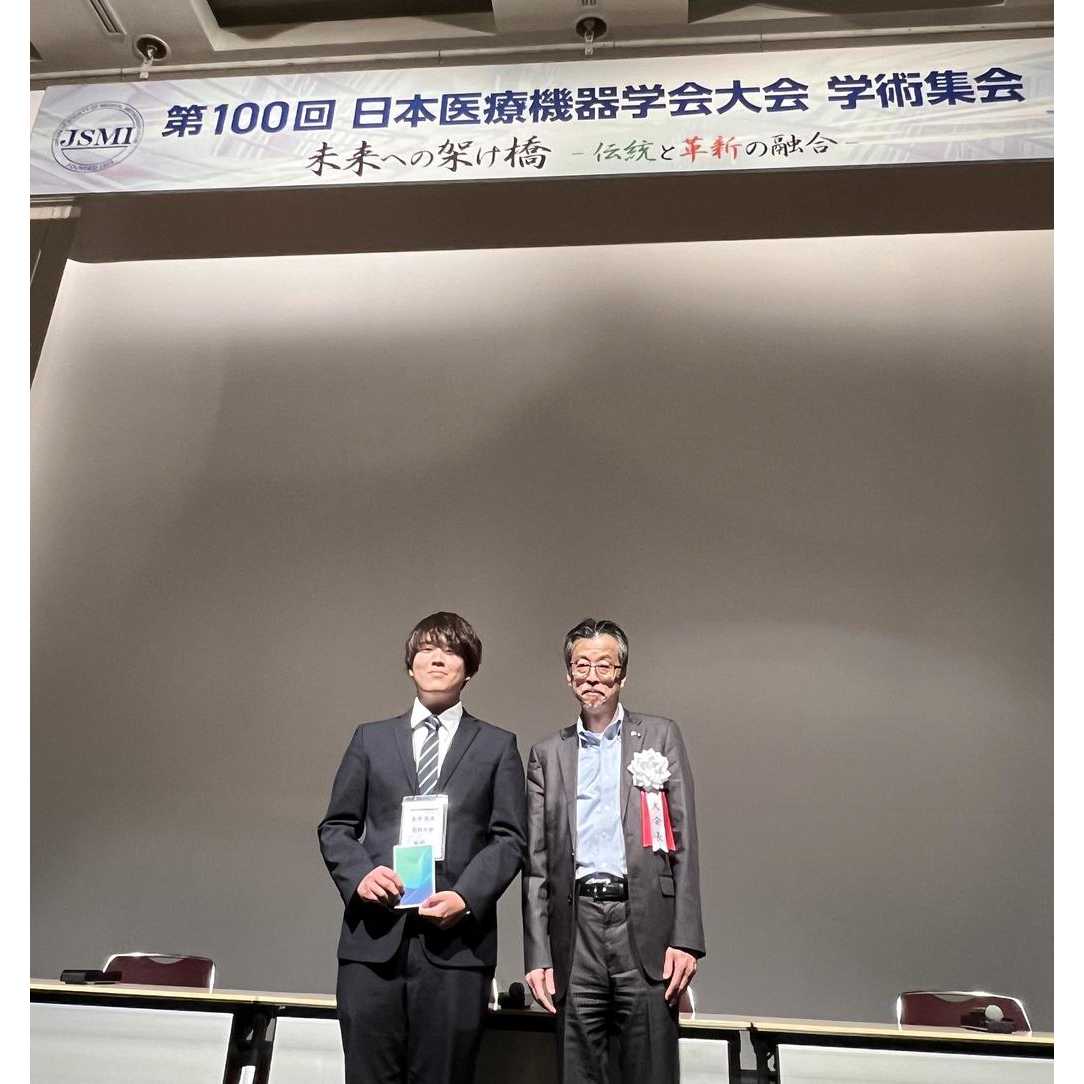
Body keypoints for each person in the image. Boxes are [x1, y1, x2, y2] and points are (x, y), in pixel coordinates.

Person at [319, 612, 527, 1084]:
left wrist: (466, 897)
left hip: (457, 949)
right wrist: (361, 876)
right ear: (409, 664)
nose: (437, 659)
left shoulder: (497, 746)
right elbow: (336, 826)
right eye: (427, 649)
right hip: (373, 944)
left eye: (450, 651)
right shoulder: (370, 739)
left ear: (469, 669)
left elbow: (510, 837)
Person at [522, 617, 705, 1084]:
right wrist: (538, 954)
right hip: (576, 927)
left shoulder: (659, 736)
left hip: (643, 924)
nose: (592, 677)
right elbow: (536, 865)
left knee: (651, 1067)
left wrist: (685, 939)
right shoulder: (548, 754)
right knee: (577, 1067)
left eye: (604, 666)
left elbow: (683, 841)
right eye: (581, 666)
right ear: (568, 676)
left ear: (623, 674)